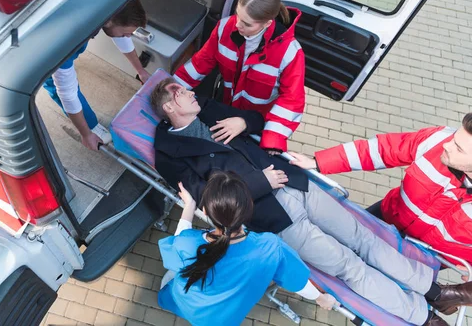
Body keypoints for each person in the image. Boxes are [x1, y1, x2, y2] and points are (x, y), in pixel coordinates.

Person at [149, 77, 472, 326]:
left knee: (364, 238)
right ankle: (421, 317)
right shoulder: (169, 154)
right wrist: (261, 182)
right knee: (349, 267)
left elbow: (257, 120)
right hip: (272, 215)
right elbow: (208, 201)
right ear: (169, 107)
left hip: (297, 183)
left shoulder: (208, 108)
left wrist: (244, 122)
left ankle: (432, 291)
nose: (190, 92)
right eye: (181, 92)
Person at [289, 113, 472, 279]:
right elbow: (382, 150)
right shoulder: (437, 140)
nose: (447, 145)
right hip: (384, 218)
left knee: (368, 284)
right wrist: (318, 162)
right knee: (330, 251)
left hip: (420, 259)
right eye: (454, 137)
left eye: (459, 148)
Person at [158, 171, 336, 326]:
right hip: (220, 321)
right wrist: (321, 298)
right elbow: (298, 282)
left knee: (170, 280)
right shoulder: (270, 247)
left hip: (184, 303)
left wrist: (189, 206)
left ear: (204, 210)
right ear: (248, 208)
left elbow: (177, 244)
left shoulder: (187, 243)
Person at [174, 0, 305, 153]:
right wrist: (172, 87)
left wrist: (273, 139)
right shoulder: (224, 28)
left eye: (246, 23)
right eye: (237, 15)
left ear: (267, 23)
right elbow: (201, 62)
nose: (237, 25)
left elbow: (292, 100)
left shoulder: (290, 52)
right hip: (226, 106)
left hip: (260, 121)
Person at [44, 0, 151, 150]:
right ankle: (90, 126)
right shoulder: (68, 42)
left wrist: (141, 71)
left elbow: (120, 36)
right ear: (108, 22)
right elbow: (67, 94)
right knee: (54, 84)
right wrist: (86, 134)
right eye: (126, 33)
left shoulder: (108, 5)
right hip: (49, 44)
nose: (128, 37)